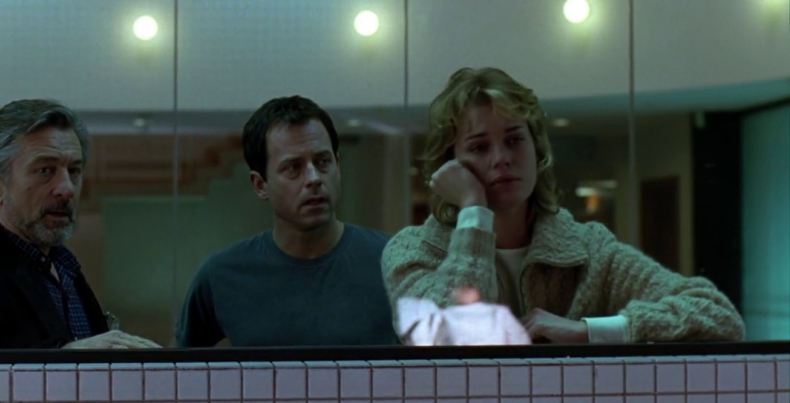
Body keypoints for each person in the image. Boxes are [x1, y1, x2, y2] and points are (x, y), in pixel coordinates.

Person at [381, 67, 745, 344]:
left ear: (536, 149)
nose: (501, 158)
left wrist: (588, 331)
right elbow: (448, 339)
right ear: (449, 164)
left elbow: (719, 316)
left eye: (514, 140)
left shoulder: (587, 250)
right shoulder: (413, 251)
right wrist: (474, 210)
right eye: (479, 147)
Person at [0, 99, 161, 349]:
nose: (67, 189)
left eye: (74, 171)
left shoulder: (64, 267)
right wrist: (63, 359)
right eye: (45, 170)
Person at [175, 95, 400, 347]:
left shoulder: (393, 263)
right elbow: (178, 365)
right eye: (294, 168)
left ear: (338, 166)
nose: (314, 178)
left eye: (323, 162)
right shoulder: (223, 275)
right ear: (260, 185)